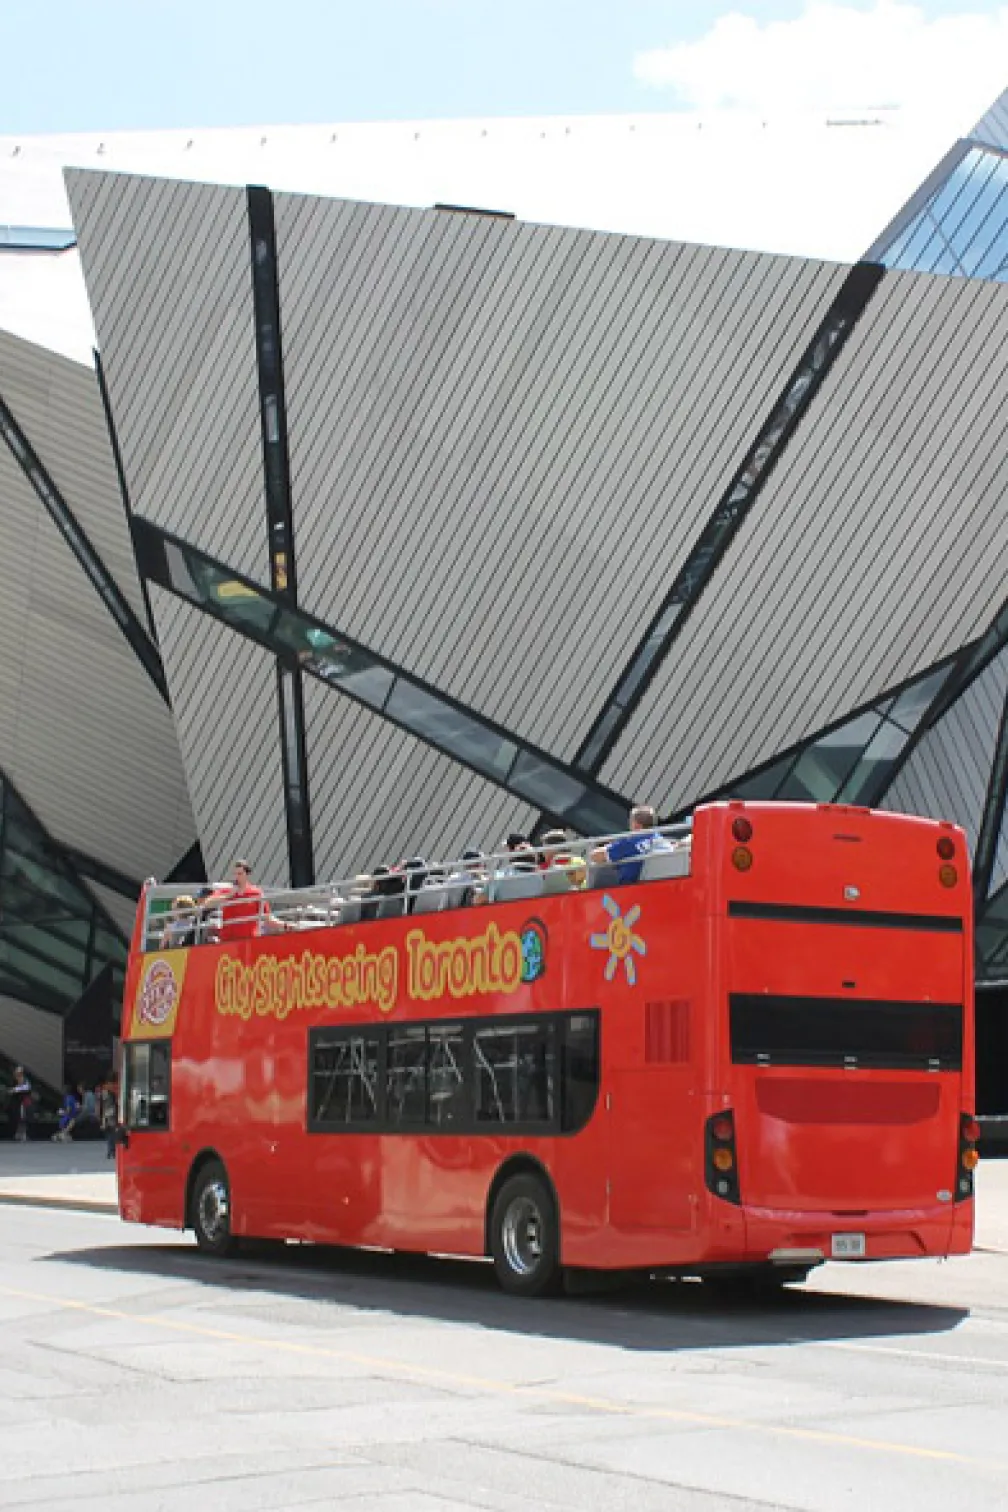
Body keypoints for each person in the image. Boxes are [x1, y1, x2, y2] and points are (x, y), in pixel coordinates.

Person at [591, 804, 673, 884]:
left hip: (630, 887)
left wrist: (610, 846)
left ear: (636, 825)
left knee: (597, 868)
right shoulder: (662, 841)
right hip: (660, 885)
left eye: (630, 820)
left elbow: (595, 856)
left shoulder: (630, 842)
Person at [10, 1067, 31, 1142]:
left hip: (24, 1102)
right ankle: (18, 1133)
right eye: (16, 1073)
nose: (17, 1075)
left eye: (18, 1073)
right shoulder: (14, 1081)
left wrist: (15, 1089)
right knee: (18, 1118)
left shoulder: (25, 1081)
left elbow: (26, 1088)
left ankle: (23, 1134)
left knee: (23, 1118)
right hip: (17, 1103)